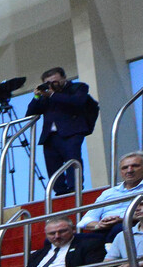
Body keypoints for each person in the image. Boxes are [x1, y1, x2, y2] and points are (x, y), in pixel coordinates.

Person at [25, 66, 99, 194]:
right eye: (48, 83)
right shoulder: (45, 95)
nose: (53, 85)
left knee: (72, 160)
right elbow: (30, 113)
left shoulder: (78, 87)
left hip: (72, 132)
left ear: (64, 78)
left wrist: (52, 95)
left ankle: (74, 189)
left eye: (56, 81)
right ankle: (59, 192)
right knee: (52, 165)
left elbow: (77, 101)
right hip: (50, 136)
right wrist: (37, 96)